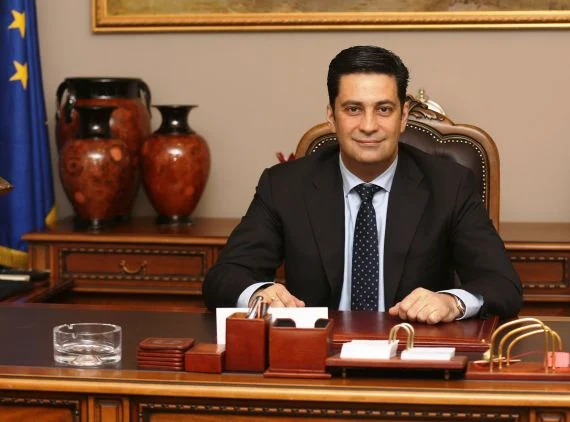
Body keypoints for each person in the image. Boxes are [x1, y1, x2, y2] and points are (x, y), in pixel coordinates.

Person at [203, 45, 522, 324]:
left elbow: (503, 285)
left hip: (412, 353)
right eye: (353, 109)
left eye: (384, 109)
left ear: (403, 116)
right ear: (331, 117)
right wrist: (259, 293)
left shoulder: (449, 185)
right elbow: (224, 277)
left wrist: (452, 302)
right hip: (314, 356)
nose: (369, 126)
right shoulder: (284, 186)